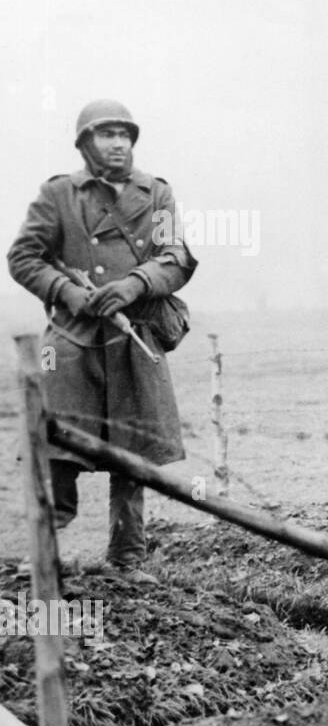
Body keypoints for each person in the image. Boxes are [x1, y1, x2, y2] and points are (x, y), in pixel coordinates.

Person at [8, 99, 196, 584]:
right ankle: (44, 552)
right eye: (106, 134)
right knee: (59, 448)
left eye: (125, 134)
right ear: (85, 142)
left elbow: (175, 253)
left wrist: (135, 284)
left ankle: (128, 558)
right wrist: (70, 292)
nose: (118, 143)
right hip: (73, 339)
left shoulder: (155, 194)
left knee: (133, 455)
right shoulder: (59, 195)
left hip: (135, 338)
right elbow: (25, 256)